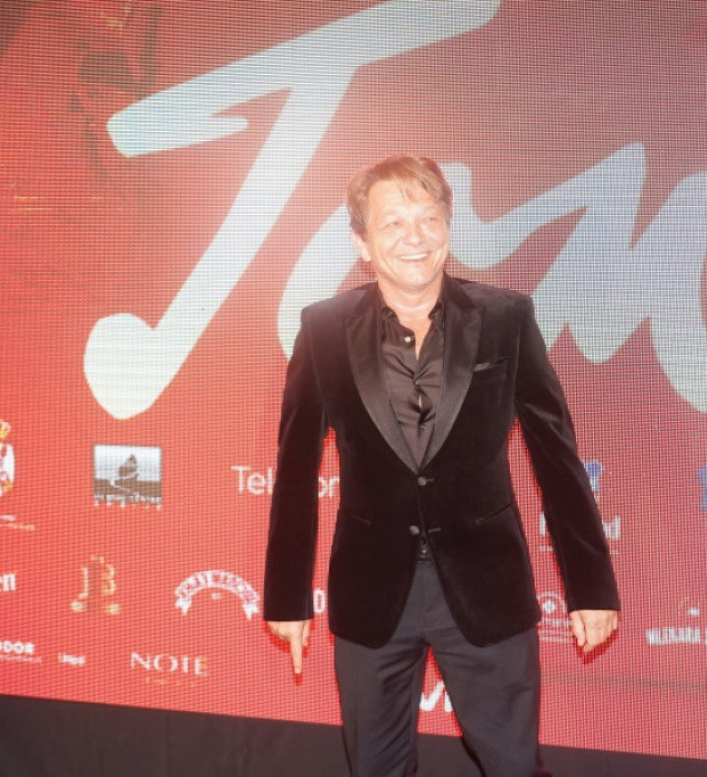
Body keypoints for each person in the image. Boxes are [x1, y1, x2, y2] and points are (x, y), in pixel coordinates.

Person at [264, 154, 620, 777]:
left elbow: (557, 458)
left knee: (514, 767)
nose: (415, 236)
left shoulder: (506, 318)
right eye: (393, 222)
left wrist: (590, 587)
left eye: (429, 218)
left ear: (448, 229)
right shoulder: (322, 330)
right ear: (362, 242)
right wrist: (287, 597)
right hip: (372, 594)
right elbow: (295, 471)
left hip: (487, 590)